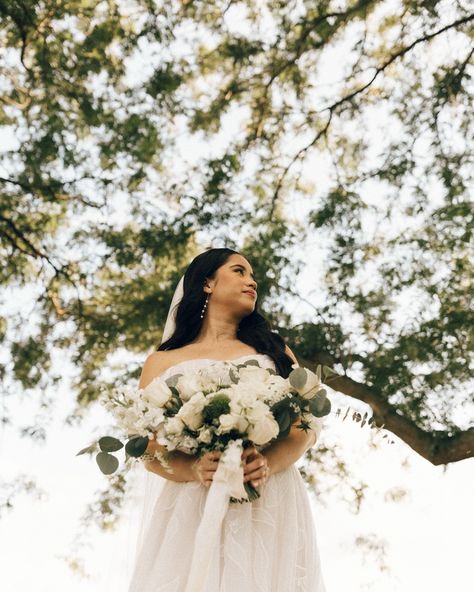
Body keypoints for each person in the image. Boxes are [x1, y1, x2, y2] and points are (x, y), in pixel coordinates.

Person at [126, 247, 327, 592]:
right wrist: (192, 468)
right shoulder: (161, 363)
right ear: (207, 283)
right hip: (193, 498)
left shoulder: (274, 351)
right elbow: (146, 448)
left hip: (267, 493)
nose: (252, 282)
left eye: (253, 276)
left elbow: (305, 427)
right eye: (239, 271)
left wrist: (267, 461)